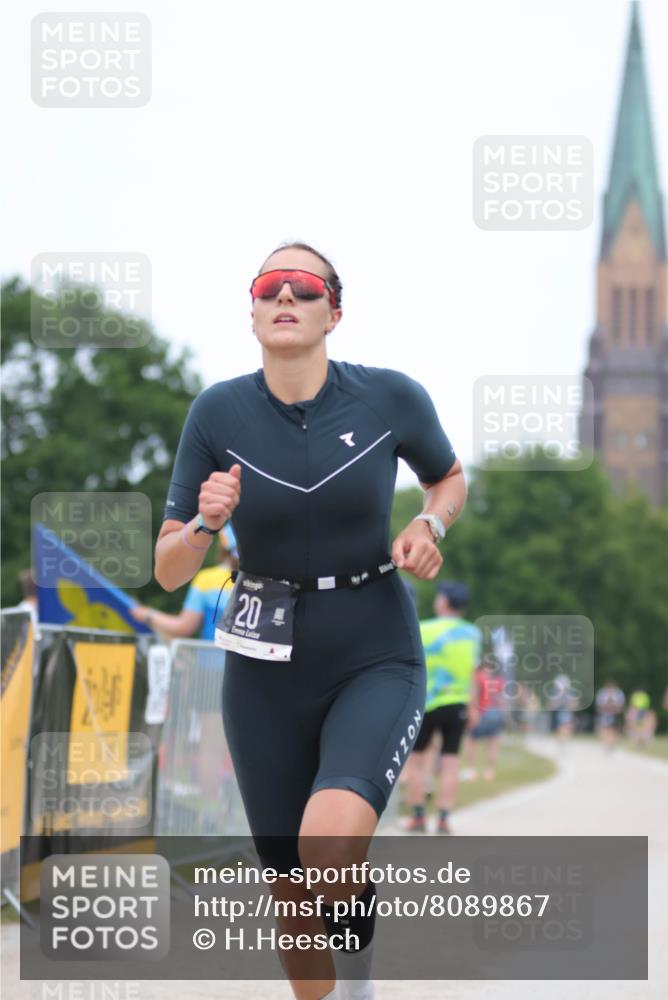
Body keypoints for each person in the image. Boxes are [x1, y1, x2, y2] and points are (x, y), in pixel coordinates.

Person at [154, 242, 467, 1000]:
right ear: (253, 310)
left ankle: (357, 983)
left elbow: (447, 477)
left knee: (327, 846)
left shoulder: (389, 397)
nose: (285, 297)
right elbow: (168, 568)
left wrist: (430, 525)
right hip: (262, 669)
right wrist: (202, 523)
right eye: (269, 287)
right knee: (292, 898)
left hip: (372, 649)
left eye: (305, 287)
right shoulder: (217, 412)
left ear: (335, 309)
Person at [402, 581, 480, 835]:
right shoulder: (473, 634)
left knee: (415, 761)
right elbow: (473, 673)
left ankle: (418, 817)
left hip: (425, 704)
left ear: (444, 602)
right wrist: (474, 707)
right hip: (457, 703)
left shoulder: (424, 628)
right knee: (450, 762)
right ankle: (444, 819)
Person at [130, 527, 237, 639]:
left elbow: (184, 627)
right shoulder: (255, 579)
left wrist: (147, 615)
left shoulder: (207, 579)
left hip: (209, 654)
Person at [464, 659, 505, 781]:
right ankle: (489, 771)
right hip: (495, 713)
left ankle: (472, 771)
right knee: (492, 744)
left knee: (472, 742)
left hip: (481, 712)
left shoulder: (478, 677)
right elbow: (501, 699)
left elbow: (473, 695)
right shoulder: (498, 681)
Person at [595, 679, 626, 751]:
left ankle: (611, 743)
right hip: (605, 714)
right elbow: (599, 705)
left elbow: (621, 705)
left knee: (613, 729)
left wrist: (614, 708)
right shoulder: (602, 693)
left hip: (614, 714)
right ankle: (606, 743)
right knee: (605, 728)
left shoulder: (618, 693)